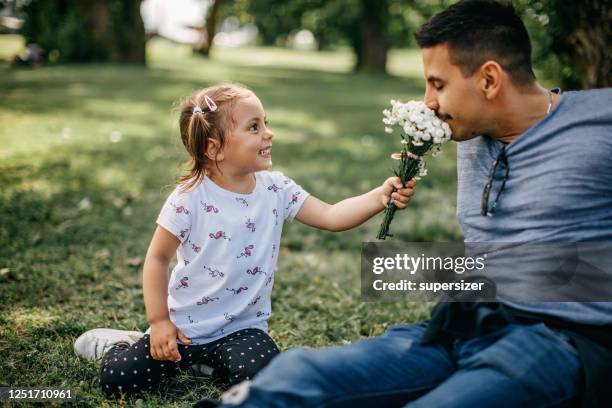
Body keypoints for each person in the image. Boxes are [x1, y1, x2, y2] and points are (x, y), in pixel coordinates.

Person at [210, 1, 612, 407]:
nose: (428, 103)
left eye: (437, 84)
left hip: (557, 342)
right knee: (298, 374)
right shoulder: (472, 133)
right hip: (463, 325)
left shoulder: (600, 124)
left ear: (490, 80)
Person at [72, 83, 416, 398]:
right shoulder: (188, 198)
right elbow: (157, 259)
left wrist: (379, 197)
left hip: (242, 330)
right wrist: (160, 322)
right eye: (254, 127)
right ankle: (123, 344)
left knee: (266, 379)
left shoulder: (276, 189)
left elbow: (331, 216)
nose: (269, 134)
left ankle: (210, 362)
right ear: (215, 148)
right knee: (118, 380)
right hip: (183, 329)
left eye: (265, 123)